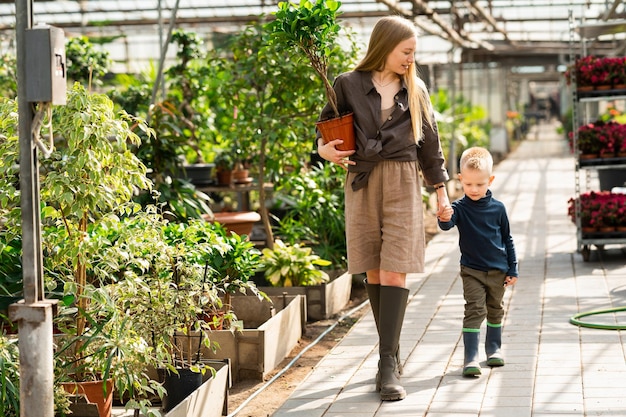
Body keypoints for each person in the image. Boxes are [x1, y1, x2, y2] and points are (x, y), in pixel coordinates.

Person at [316, 15, 450, 401]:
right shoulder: (347, 83)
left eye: (414, 52)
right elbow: (327, 127)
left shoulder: (416, 89)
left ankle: (386, 363)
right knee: (374, 269)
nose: (411, 58)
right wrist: (323, 151)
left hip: (404, 180)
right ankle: (388, 355)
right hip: (363, 179)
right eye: (406, 51)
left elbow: (431, 145)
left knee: (395, 269)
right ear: (385, 46)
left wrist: (440, 192)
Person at [437, 147, 519, 377]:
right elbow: (447, 224)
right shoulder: (459, 208)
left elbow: (507, 239)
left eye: (480, 184)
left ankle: (494, 349)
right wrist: (443, 217)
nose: (474, 189)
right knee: (474, 309)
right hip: (471, 270)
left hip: (498, 271)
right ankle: (470, 357)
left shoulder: (498, 209)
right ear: (460, 179)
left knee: (495, 310)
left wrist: (513, 268)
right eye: (469, 184)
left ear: (490, 180)